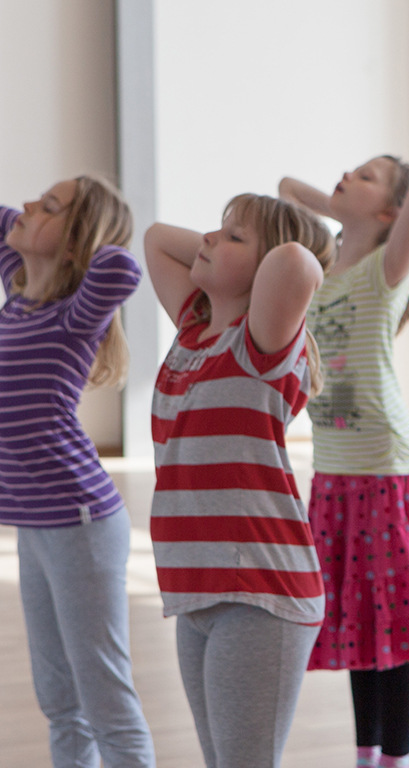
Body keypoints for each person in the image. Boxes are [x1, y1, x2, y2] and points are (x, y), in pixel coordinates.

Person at [145, 193, 334, 768]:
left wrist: (271, 234)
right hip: (196, 586)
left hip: (259, 592)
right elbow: (154, 236)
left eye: (233, 237)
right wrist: (230, 241)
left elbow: (298, 263)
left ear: (264, 265)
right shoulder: (194, 332)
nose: (207, 238)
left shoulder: (263, 346)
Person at [278, 156, 409, 768]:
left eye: (367, 174)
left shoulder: (384, 269)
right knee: (357, 622)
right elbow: (285, 189)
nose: (350, 171)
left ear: (388, 213)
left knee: (392, 626)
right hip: (332, 471)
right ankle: (365, 753)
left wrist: (369, 216)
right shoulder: (320, 270)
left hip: (382, 468)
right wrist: (350, 211)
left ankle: (395, 758)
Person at [0, 176, 155, 767]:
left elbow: (121, 267)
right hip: (38, 524)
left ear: (74, 243)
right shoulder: (18, 299)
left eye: (50, 205)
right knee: (60, 701)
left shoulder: (74, 315)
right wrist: (50, 219)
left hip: (80, 524)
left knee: (106, 702)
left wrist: (88, 217)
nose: (29, 204)